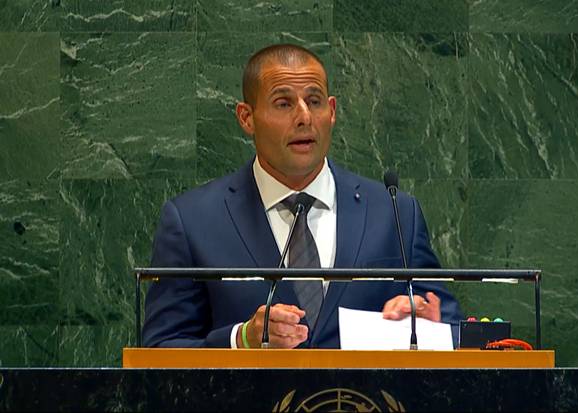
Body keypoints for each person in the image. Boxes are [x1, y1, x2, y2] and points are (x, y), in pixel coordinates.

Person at [142, 44, 463, 349]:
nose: (304, 117)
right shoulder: (193, 221)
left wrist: (426, 326)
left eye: (315, 101)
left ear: (332, 111)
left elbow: (455, 330)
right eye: (283, 103)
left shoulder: (394, 213)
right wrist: (242, 340)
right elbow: (160, 349)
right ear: (246, 117)